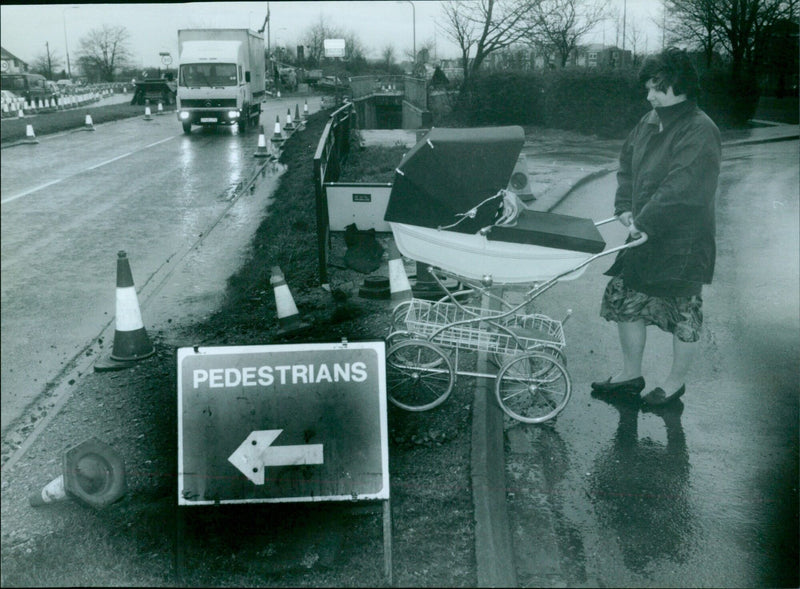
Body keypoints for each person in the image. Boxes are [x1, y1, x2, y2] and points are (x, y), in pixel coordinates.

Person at [591, 47, 721, 407]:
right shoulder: (648, 122)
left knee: (682, 313)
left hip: (682, 242)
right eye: (648, 87)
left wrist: (644, 221)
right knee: (626, 300)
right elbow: (627, 166)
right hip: (643, 235)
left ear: (680, 87)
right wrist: (624, 209)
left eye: (657, 88)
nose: (649, 96)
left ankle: (674, 383)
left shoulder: (699, 129)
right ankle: (631, 375)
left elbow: (683, 187)